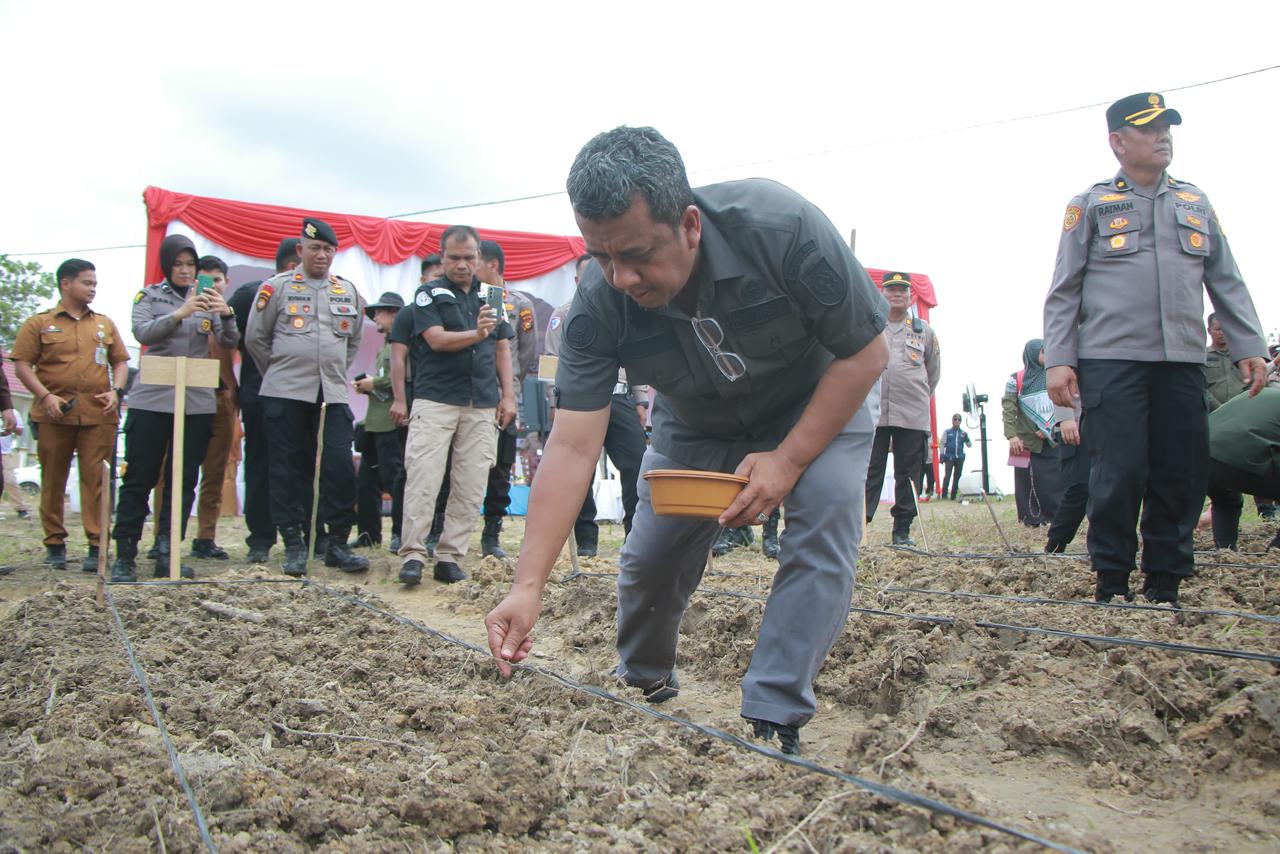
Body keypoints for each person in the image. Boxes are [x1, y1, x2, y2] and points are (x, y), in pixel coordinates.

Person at [485, 126, 889, 755]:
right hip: (696, 423)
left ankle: (774, 709)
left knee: (827, 519)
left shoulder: (781, 230)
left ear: (691, 225)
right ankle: (644, 674)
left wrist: (787, 460)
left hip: (816, 401)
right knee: (652, 557)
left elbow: (866, 352)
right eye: (601, 256)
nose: (621, 277)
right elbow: (570, 448)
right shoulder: (598, 303)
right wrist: (527, 585)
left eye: (638, 254)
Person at [1044, 92, 1267, 605]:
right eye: (1149, 129)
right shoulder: (1092, 204)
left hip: (1183, 362)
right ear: (1118, 142)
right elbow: (1064, 289)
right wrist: (1059, 360)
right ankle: (1113, 581)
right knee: (1118, 472)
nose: (1163, 136)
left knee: (1181, 472)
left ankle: (1165, 581)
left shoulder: (1195, 202)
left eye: (1167, 127)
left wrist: (1248, 345)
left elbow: (1226, 279)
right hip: (1111, 363)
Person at [110, 235, 239, 581]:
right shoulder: (149, 296)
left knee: (183, 481)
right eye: (178, 264)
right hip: (153, 400)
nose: (185, 270)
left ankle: (169, 552)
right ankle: (124, 554)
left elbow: (229, 341)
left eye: (190, 265)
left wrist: (225, 314)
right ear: (168, 266)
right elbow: (143, 332)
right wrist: (181, 313)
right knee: (140, 477)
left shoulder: (208, 296)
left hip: (195, 402)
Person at [244, 218, 369, 577]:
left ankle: (337, 543)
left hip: (331, 393)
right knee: (287, 469)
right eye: (315, 248)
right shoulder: (276, 288)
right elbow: (256, 338)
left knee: (338, 466)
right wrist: (283, 370)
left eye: (329, 250)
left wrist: (332, 369)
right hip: (285, 393)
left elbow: (354, 340)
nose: (322, 255)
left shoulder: (346, 291)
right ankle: (295, 544)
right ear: (300, 250)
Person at [394, 225, 517, 585]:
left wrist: (508, 395)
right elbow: (436, 340)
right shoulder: (427, 294)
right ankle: (413, 554)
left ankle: (450, 555)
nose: (462, 264)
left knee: (471, 482)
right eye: (454, 258)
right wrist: (476, 334)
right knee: (424, 477)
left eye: (469, 257)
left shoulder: (492, 295)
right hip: (436, 400)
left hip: (481, 402)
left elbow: (502, 347)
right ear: (443, 257)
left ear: (479, 257)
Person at [12, 259, 128, 571]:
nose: (93, 289)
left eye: (94, 283)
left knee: (97, 481)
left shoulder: (104, 324)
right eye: (86, 283)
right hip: (54, 413)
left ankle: (96, 546)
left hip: (98, 413)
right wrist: (44, 395)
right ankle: (55, 545)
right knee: (52, 480)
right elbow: (22, 363)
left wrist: (116, 391)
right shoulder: (39, 323)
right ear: (66, 283)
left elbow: (120, 362)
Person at [428, 239, 538, 560]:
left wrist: (511, 389)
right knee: (452, 463)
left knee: (501, 466)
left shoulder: (517, 303)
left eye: (474, 261)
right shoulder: (459, 297)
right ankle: (439, 529)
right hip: (467, 394)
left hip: (503, 398)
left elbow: (525, 352)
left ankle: (492, 533)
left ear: (491, 265)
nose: (467, 268)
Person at [544, 253, 649, 557]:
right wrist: (556, 403)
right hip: (578, 403)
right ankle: (586, 538)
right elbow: (551, 364)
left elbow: (637, 361)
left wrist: (640, 399)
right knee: (579, 470)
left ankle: (636, 534)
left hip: (619, 397)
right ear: (577, 281)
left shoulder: (624, 312)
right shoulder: (562, 315)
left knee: (636, 465)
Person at [149, 255, 241, 562]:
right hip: (183, 399)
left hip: (221, 397)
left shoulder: (227, 315)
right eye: (206, 279)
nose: (211, 285)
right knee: (170, 469)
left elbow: (235, 344)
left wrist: (226, 314)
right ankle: (162, 537)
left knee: (216, 471)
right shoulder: (184, 312)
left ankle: (206, 537)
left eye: (217, 280)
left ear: (226, 283)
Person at [227, 237, 299, 562]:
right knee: (260, 466)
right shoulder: (250, 294)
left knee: (297, 468)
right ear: (291, 265)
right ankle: (260, 539)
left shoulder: (319, 296)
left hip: (301, 397)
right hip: (260, 394)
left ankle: (301, 537)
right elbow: (233, 341)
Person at [863, 272, 940, 545]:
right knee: (870, 469)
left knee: (909, 472)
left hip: (911, 413)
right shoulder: (870, 326)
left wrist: (915, 393)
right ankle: (861, 525)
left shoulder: (924, 331)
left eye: (902, 291)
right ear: (881, 294)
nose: (897, 294)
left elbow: (933, 372)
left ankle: (902, 530)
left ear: (910, 297)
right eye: (891, 289)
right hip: (873, 412)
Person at [351, 291, 406, 551]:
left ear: (395, 313)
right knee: (367, 482)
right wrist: (369, 385)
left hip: (391, 422)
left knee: (395, 479)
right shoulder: (385, 345)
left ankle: (400, 532)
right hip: (373, 421)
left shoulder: (404, 344)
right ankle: (368, 534)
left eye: (380, 312)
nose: (375, 317)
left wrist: (376, 382)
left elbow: (404, 378)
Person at [1207, 387, 1280, 551]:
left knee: (1226, 501)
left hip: (1198, 456)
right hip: (1239, 459)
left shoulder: (1263, 392)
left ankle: (1225, 550)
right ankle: (1276, 552)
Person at [1003, 340, 1063, 527]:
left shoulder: (1055, 377)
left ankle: (1055, 517)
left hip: (1051, 439)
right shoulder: (1016, 379)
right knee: (1025, 482)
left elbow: (1062, 403)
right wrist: (1011, 436)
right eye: (1043, 352)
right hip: (1024, 441)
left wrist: (1051, 428)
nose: (1047, 356)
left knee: (1053, 480)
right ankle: (1031, 518)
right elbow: (1008, 408)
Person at [939, 413, 971, 500]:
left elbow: (969, 445)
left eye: (959, 419)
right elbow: (942, 443)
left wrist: (967, 438)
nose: (957, 421)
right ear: (952, 421)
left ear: (961, 421)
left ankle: (953, 495)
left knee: (957, 476)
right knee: (947, 476)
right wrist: (941, 455)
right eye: (955, 419)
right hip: (949, 457)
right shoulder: (947, 432)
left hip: (959, 457)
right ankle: (944, 495)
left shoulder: (963, 433)